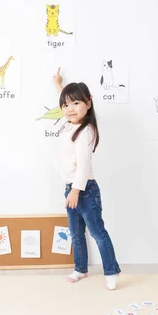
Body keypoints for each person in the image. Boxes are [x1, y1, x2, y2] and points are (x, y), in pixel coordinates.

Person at [52, 67, 121, 290]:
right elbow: (68, 102)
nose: (70, 109)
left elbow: (84, 165)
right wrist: (58, 84)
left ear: (88, 104)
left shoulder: (86, 131)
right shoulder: (70, 123)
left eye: (76, 104)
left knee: (97, 232)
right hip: (70, 189)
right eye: (65, 105)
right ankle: (80, 268)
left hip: (84, 190)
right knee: (75, 232)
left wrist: (76, 190)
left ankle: (111, 271)